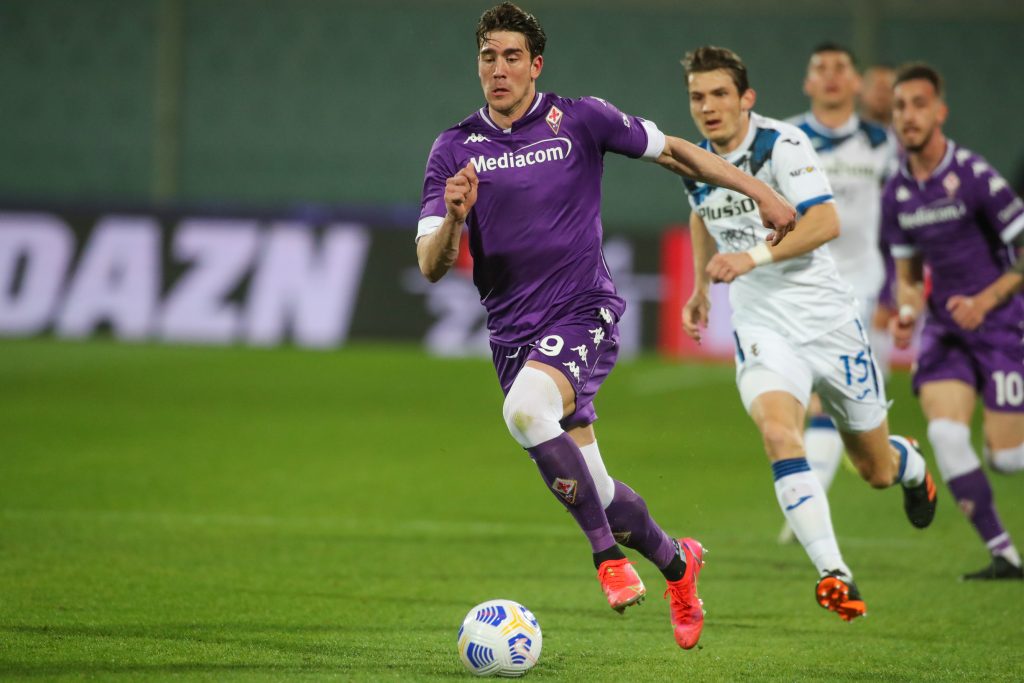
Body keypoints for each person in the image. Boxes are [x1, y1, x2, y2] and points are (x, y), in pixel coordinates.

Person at [415, 3, 797, 649]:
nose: (499, 69)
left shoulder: (582, 119)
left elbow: (676, 151)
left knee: (524, 409)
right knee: (597, 488)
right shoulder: (454, 148)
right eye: (488, 56)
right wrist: (454, 217)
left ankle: (606, 561)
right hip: (513, 333)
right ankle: (678, 561)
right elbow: (431, 265)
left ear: (536, 65)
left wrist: (759, 192)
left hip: (582, 309)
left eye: (512, 57)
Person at [679, 45, 937, 621]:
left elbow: (824, 221)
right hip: (762, 322)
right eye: (698, 96)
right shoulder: (695, 161)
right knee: (779, 433)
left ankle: (910, 464)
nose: (708, 106)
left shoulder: (781, 144)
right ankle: (833, 571)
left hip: (827, 318)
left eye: (720, 94)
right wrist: (700, 286)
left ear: (747, 98)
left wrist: (748, 257)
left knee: (875, 471)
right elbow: (701, 211)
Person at [885, 63, 1024, 580]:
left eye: (919, 105)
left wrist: (986, 300)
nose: (909, 116)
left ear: (939, 112)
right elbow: (906, 273)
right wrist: (906, 309)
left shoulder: (974, 176)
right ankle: (1005, 554)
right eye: (900, 107)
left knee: (1007, 460)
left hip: (1002, 324)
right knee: (944, 436)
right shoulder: (896, 193)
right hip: (946, 331)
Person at [779, 43, 899, 544]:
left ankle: (895, 467)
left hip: (864, 289)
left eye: (840, 69)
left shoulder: (883, 144)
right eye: (819, 69)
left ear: (857, 84)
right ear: (807, 84)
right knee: (804, 402)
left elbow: (898, 221)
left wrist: (897, 288)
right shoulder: (785, 140)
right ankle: (807, 512)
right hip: (801, 288)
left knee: (851, 417)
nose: (830, 77)